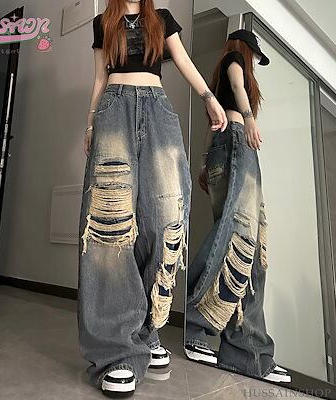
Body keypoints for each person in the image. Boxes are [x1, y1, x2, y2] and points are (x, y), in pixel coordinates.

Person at [77, 0, 227, 396]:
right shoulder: (102, 22)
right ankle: (117, 351)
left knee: (165, 220)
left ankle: (145, 330)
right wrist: (90, 123)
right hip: (113, 109)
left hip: (157, 110)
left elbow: (183, 60)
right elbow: (99, 77)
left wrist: (209, 97)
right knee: (111, 228)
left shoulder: (160, 19)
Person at [185, 29, 291, 384]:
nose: (254, 65)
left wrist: (205, 163)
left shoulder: (219, 85)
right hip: (235, 145)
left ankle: (246, 351)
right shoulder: (234, 61)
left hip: (222, 146)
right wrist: (249, 117)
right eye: (255, 58)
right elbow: (238, 83)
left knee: (247, 249)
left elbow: (212, 125)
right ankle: (195, 323)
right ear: (246, 51)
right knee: (240, 238)